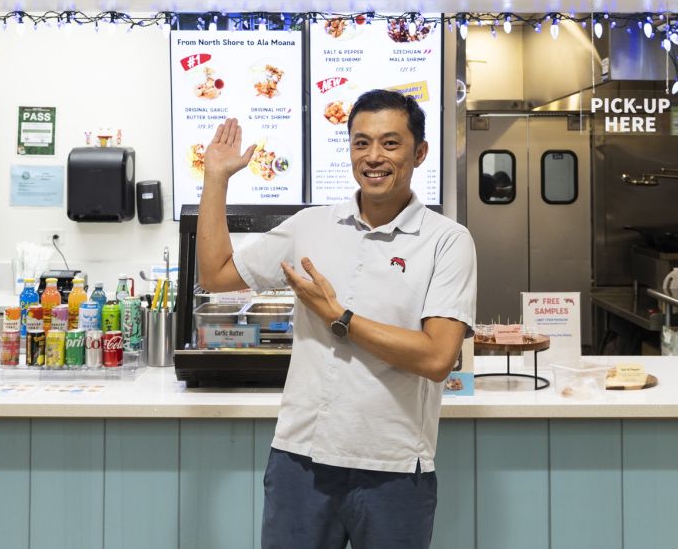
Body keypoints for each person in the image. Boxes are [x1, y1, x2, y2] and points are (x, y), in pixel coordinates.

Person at [197, 89, 477, 549]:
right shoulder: (312, 226)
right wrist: (215, 179)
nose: (373, 157)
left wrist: (338, 316)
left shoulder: (447, 240)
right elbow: (216, 274)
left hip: (394, 468)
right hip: (299, 461)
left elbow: (437, 358)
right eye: (361, 143)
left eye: (390, 143)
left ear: (420, 153)